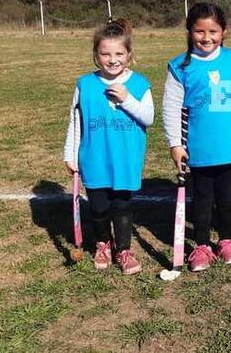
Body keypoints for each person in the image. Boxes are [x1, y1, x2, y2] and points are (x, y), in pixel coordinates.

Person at [64, 19, 154, 275]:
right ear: (96, 55)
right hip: (93, 158)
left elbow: (149, 117)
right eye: (105, 53)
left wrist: (127, 99)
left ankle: (123, 249)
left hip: (125, 158)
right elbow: (75, 121)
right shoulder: (85, 84)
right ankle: (103, 244)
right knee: (99, 207)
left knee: (122, 205)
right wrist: (70, 154)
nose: (112, 60)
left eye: (119, 53)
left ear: (129, 54)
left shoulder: (139, 84)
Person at [163, 3, 231, 272]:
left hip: (230, 145)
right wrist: (176, 143)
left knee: (228, 197)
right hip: (197, 148)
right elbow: (171, 107)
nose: (206, 37)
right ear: (189, 31)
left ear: (224, 32)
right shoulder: (180, 66)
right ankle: (201, 245)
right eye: (199, 31)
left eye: (213, 31)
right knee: (202, 198)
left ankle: (228, 240)